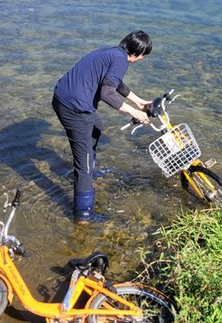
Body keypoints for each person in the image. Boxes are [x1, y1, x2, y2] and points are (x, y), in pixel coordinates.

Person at [52, 31, 153, 224]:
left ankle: (89, 171)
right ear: (137, 53)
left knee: (96, 127)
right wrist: (134, 113)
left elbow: (116, 83)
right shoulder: (121, 60)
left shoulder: (113, 53)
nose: (142, 59)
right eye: (143, 55)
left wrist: (139, 102)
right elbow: (107, 93)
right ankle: (83, 215)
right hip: (74, 108)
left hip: (62, 98)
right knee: (83, 163)